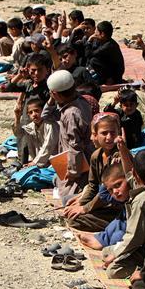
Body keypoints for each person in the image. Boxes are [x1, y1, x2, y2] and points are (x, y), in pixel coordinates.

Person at [99, 150, 145, 278]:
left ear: (135, 174)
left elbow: (134, 237)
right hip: (144, 243)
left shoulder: (141, 200)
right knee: (106, 251)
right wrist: (122, 148)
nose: (115, 192)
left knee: (112, 271)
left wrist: (116, 255)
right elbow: (128, 172)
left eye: (118, 185)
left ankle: (143, 269)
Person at [64, 113, 123, 231]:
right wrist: (81, 203)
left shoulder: (119, 157)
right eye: (104, 133)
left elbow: (106, 193)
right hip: (101, 201)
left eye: (113, 133)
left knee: (76, 219)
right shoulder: (96, 156)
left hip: (116, 204)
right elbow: (93, 185)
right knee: (67, 203)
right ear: (96, 135)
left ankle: (118, 225)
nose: (109, 137)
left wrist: (85, 208)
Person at [42, 70, 94, 203]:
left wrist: (73, 171)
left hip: (79, 164)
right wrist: (53, 98)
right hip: (76, 160)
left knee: (68, 199)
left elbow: (75, 146)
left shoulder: (71, 114)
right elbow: (46, 116)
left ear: (55, 94)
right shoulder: (80, 101)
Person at [85, 21, 125, 86]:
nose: (95, 33)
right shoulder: (102, 41)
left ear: (102, 34)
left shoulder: (109, 46)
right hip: (108, 68)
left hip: (114, 75)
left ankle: (103, 80)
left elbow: (88, 55)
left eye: (96, 31)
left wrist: (89, 40)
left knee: (93, 61)